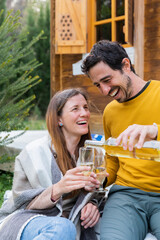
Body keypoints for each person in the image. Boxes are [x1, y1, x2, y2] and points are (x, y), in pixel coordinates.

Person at [0, 88, 106, 240]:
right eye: (75, 109)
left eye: (85, 107)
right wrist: (58, 189)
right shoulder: (33, 152)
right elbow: (22, 202)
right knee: (62, 228)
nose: (84, 113)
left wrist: (92, 204)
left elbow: (98, 193)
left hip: (70, 219)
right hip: (30, 218)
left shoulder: (92, 153)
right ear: (59, 120)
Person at [81, 40, 160, 240]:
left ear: (126, 65)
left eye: (107, 80)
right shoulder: (110, 112)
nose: (105, 91)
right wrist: (100, 178)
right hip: (127, 197)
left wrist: (154, 130)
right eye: (98, 85)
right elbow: (113, 160)